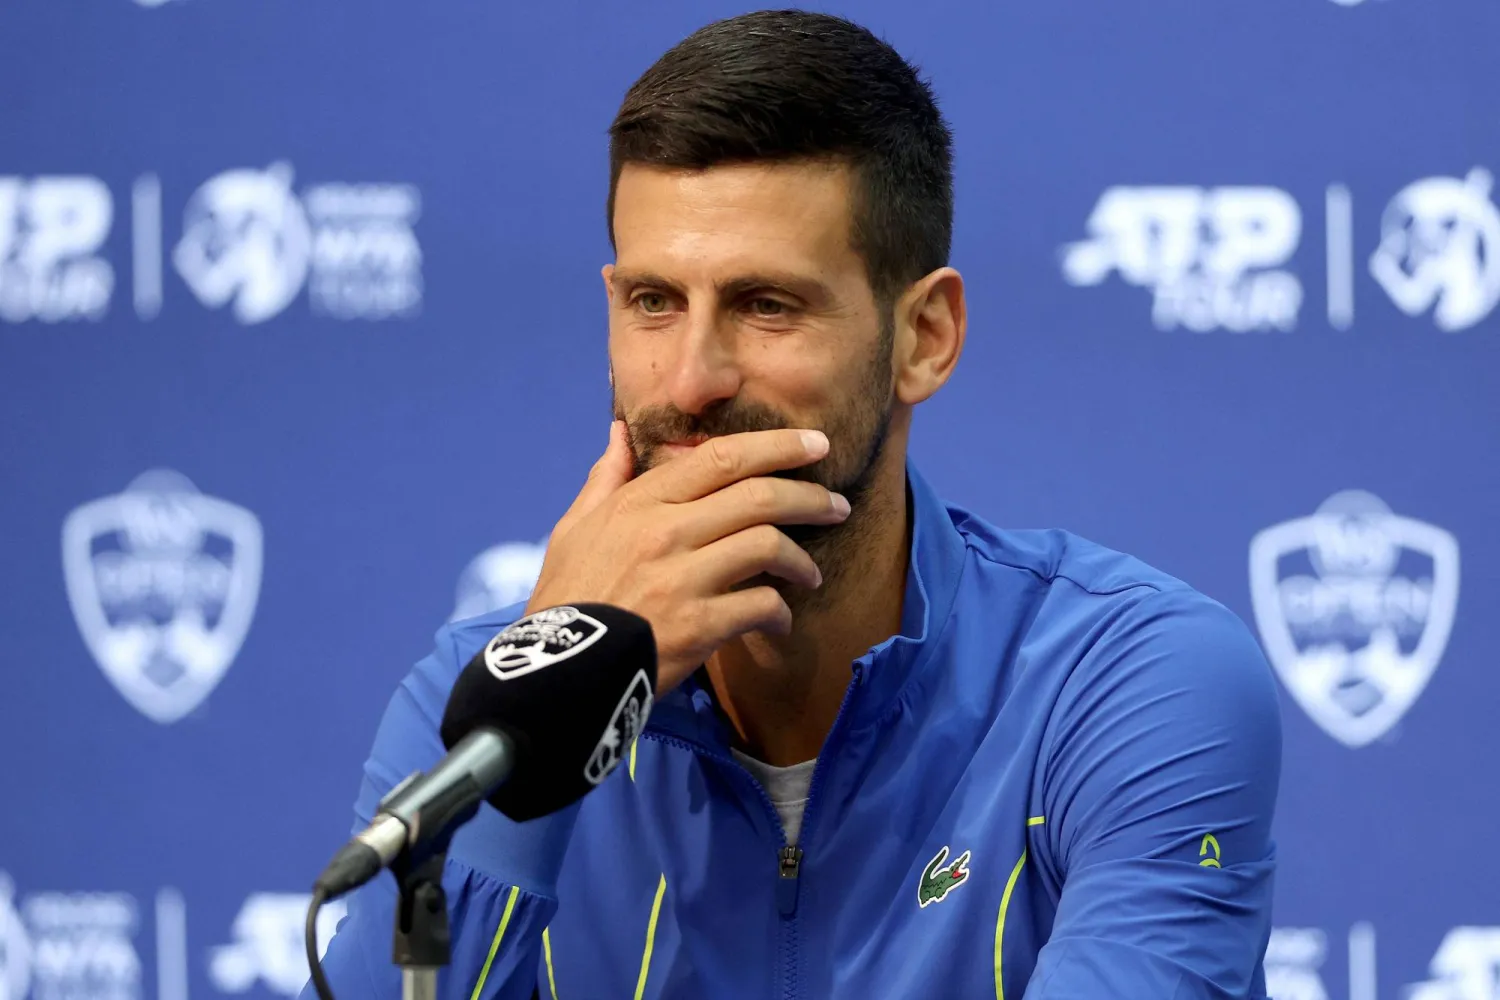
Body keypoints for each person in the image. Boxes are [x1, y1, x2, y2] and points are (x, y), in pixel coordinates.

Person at [307, 10, 1281, 999]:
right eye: (654, 302)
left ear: (925, 336)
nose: (690, 380)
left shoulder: (1126, 680)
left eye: (766, 304)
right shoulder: (472, 705)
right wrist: (552, 695)